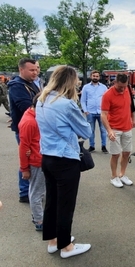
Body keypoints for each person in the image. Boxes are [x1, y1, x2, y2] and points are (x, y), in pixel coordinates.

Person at [36, 65, 92, 258]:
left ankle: (54, 240)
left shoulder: (41, 100)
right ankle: (66, 246)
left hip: (47, 157)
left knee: (52, 201)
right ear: (69, 81)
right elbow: (87, 131)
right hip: (65, 159)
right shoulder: (66, 104)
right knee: (66, 204)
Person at [8, 58, 40, 203]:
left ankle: (31, 189)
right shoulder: (17, 86)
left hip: (32, 126)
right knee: (26, 158)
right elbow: (26, 106)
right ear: (21, 69)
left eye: (37, 69)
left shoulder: (31, 83)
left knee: (32, 158)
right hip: (26, 128)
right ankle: (24, 192)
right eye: (32, 70)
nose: (35, 72)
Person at [101, 73, 135, 188]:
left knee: (126, 153)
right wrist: (109, 130)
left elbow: (131, 106)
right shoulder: (107, 95)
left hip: (127, 127)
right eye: (120, 87)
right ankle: (114, 176)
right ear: (114, 82)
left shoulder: (127, 89)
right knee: (115, 154)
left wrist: (133, 119)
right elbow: (103, 114)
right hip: (114, 128)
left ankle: (122, 174)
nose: (122, 89)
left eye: (124, 86)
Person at [18, 94, 45, 231]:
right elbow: (23, 147)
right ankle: (39, 220)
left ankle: (39, 217)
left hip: (39, 159)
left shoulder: (33, 117)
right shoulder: (29, 122)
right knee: (36, 193)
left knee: (39, 191)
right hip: (36, 162)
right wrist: (25, 169)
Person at [81, 70, 108, 153]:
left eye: (97, 76)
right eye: (94, 76)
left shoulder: (104, 87)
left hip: (101, 112)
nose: (95, 77)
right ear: (91, 76)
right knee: (91, 130)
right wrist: (85, 110)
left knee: (103, 130)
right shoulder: (86, 87)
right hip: (90, 112)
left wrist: (107, 111)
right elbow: (83, 100)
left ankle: (104, 146)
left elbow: (107, 100)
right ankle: (92, 146)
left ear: (99, 77)